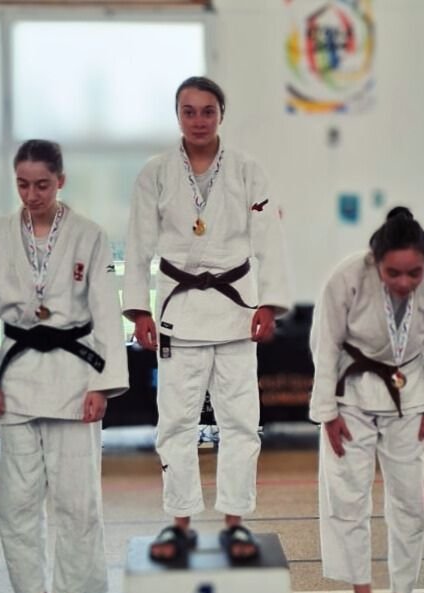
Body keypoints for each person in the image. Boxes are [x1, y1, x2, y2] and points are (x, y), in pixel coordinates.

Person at [0, 139, 128, 593]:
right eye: (22, 184)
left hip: (76, 379)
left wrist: (104, 383)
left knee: (77, 502)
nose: (31, 194)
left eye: (42, 184)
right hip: (16, 380)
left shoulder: (89, 236)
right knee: (16, 503)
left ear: (61, 181)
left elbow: (104, 307)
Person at [122, 76, 291, 563]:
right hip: (178, 310)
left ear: (222, 114)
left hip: (236, 309)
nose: (198, 120)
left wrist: (270, 303)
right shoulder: (154, 173)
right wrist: (138, 309)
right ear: (177, 115)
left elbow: (269, 241)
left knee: (241, 422)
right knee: (175, 423)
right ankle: (179, 523)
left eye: (207, 111)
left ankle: (236, 523)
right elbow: (137, 245)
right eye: (189, 111)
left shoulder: (246, 171)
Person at [309, 207, 424, 593]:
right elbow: (324, 347)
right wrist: (327, 412)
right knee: (347, 498)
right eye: (393, 273)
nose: (403, 283)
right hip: (352, 395)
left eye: (413, 273)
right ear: (375, 261)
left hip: (411, 393)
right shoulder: (346, 279)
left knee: (410, 502)